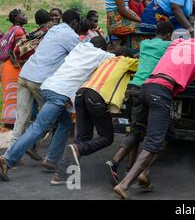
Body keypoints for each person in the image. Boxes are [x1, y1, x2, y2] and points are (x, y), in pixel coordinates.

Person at [0, 37, 115, 182]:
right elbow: (117, 59)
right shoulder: (102, 55)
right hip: (59, 94)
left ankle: (51, 160)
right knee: (39, 127)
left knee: (65, 124)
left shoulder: (80, 48)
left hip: (48, 87)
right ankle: (7, 160)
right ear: (103, 48)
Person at [113, 38, 195, 199]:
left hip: (146, 87)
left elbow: (176, 41)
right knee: (154, 141)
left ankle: (144, 173)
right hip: (161, 92)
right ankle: (124, 184)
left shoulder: (178, 43)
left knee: (168, 133)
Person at [51, 53, 139, 185]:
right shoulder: (128, 61)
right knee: (107, 137)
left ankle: (60, 175)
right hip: (97, 96)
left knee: (82, 138)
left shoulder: (107, 61)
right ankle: (78, 149)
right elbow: (145, 65)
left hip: (81, 93)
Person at [105, 21, 175, 186]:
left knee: (136, 130)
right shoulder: (168, 46)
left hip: (135, 87)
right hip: (154, 88)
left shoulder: (144, 44)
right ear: (168, 35)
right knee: (161, 134)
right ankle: (143, 171)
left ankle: (115, 162)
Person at [7, 10, 81, 164]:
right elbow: (80, 57)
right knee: (49, 121)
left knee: (21, 118)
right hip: (40, 80)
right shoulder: (71, 36)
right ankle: (32, 148)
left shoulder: (54, 29)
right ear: (74, 22)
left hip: (26, 73)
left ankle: (9, 155)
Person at [0, 9, 27, 125]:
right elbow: (20, 51)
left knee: (8, 95)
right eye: (23, 15)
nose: (26, 16)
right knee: (15, 95)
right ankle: (13, 124)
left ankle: (8, 122)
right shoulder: (19, 31)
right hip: (14, 67)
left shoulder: (10, 30)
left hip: (6, 66)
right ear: (16, 18)